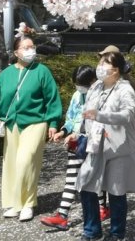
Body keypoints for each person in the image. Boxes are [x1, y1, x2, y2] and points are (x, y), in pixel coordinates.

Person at [0, 34, 63, 222]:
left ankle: (28, 203)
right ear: (16, 52)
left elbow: (52, 99)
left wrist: (53, 123)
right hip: (11, 123)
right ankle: (14, 203)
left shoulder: (42, 71)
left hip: (36, 122)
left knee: (26, 161)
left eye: (32, 46)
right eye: (26, 47)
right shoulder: (6, 74)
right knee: (12, 164)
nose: (31, 50)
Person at [76, 49, 135, 241]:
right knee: (85, 185)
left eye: (105, 63)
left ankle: (116, 233)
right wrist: (80, 132)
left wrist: (101, 116)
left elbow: (128, 115)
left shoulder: (125, 89)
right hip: (96, 146)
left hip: (118, 148)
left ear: (116, 70)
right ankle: (91, 230)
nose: (100, 67)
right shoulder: (96, 87)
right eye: (100, 63)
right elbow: (87, 112)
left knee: (116, 190)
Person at [39, 65, 109, 231]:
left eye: (81, 84)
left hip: (94, 143)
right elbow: (71, 119)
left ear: (92, 81)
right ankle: (62, 216)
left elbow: (98, 123)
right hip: (76, 144)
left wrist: (78, 134)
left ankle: (102, 208)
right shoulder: (77, 96)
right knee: (71, 179)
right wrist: (63, 132)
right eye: (77, 83)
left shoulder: (102, 96)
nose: (79, 87)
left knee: (93, 179)